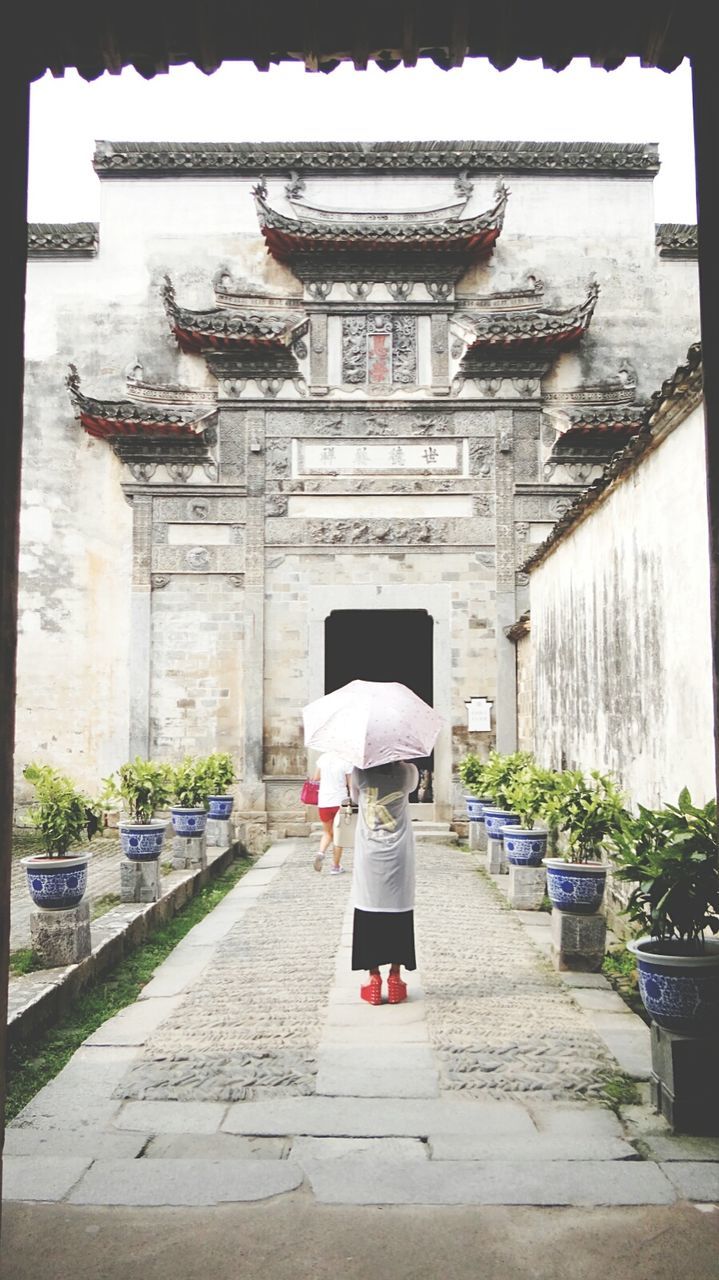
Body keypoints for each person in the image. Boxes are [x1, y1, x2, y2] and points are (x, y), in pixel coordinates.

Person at [350, 759, 419, 1005]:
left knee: (369, 910)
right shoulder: (408, 772)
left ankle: (373, 979)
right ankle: (395, 977)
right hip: (398, 852)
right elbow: (412, 789)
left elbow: (355, 796)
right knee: (398, 911)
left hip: (370, 851)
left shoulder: (359, 771)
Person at [312, 750, 353, 875]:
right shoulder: (346, 761)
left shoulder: (323, 758)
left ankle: (321, 852)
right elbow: (350, 784)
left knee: (327, 833)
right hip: (339, 801)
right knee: (338, 836)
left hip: (324, 801)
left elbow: (316, 778)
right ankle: (335, 866)